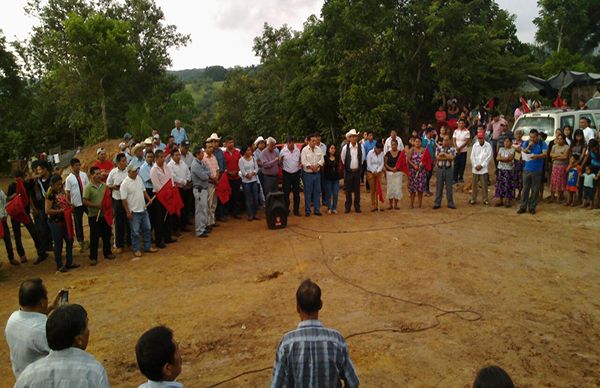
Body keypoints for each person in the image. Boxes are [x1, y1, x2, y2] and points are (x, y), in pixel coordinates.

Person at [270, 279, 359, 388]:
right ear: (320, 305)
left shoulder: (286, 343)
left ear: (297, 308)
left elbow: (276, 385)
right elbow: (353, 382)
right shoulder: (336, 340)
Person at [15, 304, 109, 388]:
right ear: (79, 340)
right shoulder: (94, 372)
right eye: (86, 326)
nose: (88, 331)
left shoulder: (28, 374)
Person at [5, 279, 64, 378]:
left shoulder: (13, 318)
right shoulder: (43, 329)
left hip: (22, 378)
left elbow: (32, 322)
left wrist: (50, 307)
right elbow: (66, 352)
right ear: (42, 302)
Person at [7, 171, 45, 263]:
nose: (17, 179)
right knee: (18, 235)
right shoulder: (12, 186)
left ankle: (40, 252)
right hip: (16, 214)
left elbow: (34, 179)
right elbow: (8, 198)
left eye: (19, 177)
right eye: (16, 178)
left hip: (25, 213)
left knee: (33, 232)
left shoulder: (26, 184)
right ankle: (22, 255)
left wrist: (30, 177)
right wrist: (16, 194)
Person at [121, 164, 158, 257]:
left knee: (147, 228)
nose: (136, 172)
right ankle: (136, 249)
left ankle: (147, 246)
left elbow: (143, 190)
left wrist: (149, 199)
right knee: (135, 232)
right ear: (129, 172)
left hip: (143, 208)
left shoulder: (139, 178)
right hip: (133, 211)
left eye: (136, 171)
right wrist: (127, 212)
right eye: (134, 171)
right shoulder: (124, 184)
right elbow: (124, 200)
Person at [46, 175, 79, 273]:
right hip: (55, 222)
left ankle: (69, 262)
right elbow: (47, 210)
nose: (59, 186)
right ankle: (59, 265)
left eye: (60, 184)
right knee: (58, 243)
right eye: (57, 185)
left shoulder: (60, 190)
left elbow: (65, 200)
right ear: (52, 185)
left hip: (64, 219)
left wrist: (69, 205)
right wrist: (61, 211)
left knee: (69, 240)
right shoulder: (50, 194)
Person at [83, 167, 115, 265]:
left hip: (104, 214)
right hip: (94, 215)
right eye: (96, 174)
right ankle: (93, 257)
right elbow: (85, 201)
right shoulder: (88, 187)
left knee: (107, 234)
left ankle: (107, 252)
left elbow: (108, 199)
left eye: (99, 173)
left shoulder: (104, 186)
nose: (99, 176)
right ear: (91, 175)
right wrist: (96, 205)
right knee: (94, 236)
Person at [517, 128, 548, 215]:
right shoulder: (527, 142)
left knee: (535, 190)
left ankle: (532, 207)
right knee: (525, 189)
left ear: (537, 136)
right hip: (527, 169)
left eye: (534, 137)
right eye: (531, 137)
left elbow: (545, 154)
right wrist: (529, 146)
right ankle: (523, 207)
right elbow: (523, 151)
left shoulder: (542, 143)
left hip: (537, 170)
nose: (532, 139)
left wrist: (536, 156)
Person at [151, 150, 177, 247]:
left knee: (168, 217)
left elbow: (171, 178)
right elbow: (157, 186)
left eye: (163, 157)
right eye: (161, 157)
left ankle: (168, 237)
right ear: (156, 158)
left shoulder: (166, 166)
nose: (163, 159)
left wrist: (172, 189)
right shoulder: (153, 170)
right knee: (159, 219)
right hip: (160, 197)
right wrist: (166, 192)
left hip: (169, 195)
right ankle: (159, 240)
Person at [107, 153, 130, 254]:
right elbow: (108, 184)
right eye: (123, 161)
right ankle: (119, 244)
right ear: (118, 162)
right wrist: (114, 187)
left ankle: (129, 243)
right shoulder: (113, 172)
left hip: (128, 199)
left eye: (126, 160)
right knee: (119, 222)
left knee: (129, 222)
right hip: (117, 199)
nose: (125, 163)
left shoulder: (129, 171)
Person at [65, 158, 89, 252]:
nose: (78, 167)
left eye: (79, 165)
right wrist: (69, 204)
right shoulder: (69, 179)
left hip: (86, 202)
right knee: (78, 223)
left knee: (92, 217)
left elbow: (87, 187)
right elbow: (68, 192)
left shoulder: (83, 175)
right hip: (76, 204)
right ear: (72, 166)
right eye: (76, 165)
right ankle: (81, 241)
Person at [31, 161, 53, 260]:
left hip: (52, 209)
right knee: (41, 230)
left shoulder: (53, 179)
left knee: (52, 229)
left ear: (45, 169)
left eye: (40, 169)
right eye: (37, 169)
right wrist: (33, 208)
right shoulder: (36, 181)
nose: (38, 171)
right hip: (40, 209)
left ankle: (50, 246)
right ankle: (41, 253)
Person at [168, 149, 193, 233]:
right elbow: (174, 177)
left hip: (186, 188)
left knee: (186, 207)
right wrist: (184, 182)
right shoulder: (169, 165)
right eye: (176, 155)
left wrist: (188, 180)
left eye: (179, 155)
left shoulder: (183, 163)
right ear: (172, 156)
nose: (178, 156)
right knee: (178, 208)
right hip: (177, 190)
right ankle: (176, 228)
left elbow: (188, 173)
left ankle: (184, 225)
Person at [341, 129, 365, 213]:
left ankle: (357, 207)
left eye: (355, 136)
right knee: (348, 191)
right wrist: (348, 168)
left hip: (357, 172)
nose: (354, 138)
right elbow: (343, 159)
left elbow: (362, 159)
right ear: (349, 138)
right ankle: (347, 207)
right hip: (349, 172)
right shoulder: (345, 147)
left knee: (357, 191)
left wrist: (357, 167)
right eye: (352, 137)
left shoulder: (360, 147)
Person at [301, 133, 325, 216]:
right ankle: (308, 211)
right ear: (308, 141)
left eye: (315, 141)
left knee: (317, 192)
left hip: (317, 174)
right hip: (308, 174)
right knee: (308, 192)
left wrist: (317, 166)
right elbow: (303, 161)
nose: (314, 142)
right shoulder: (304, 150)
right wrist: (311, 167)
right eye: (312, 141)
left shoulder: (319, 149)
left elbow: (322, 159)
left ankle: (317, 210)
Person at [191, 146, 212, 236]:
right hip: (199, 190)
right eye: (201, 152)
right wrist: (206, 173)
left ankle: (202, 227)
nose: (203, 154)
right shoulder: (195, 164)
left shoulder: (201, 163)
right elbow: (204, 176)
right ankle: (199, 230)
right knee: (200, 210)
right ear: (197, 154)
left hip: (203, 189)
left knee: (204, 209)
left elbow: (209, 171)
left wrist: (206, 173)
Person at [470, 129, 493, 206]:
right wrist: (475, 165)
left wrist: (482, 165)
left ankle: (485, 199)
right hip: (475, 168)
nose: (480, 139)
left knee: (484, 185)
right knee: (474, 185)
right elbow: (472, 157)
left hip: (483, 169)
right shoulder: (475, 145)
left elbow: (488, 157)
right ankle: (473, 199)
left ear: (484, 138)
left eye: (481, 138)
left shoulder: (488, 146)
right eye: (479, 138)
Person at [280, 136, 302, 216]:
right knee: (286, 193)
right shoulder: (283, 151)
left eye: (292, 142)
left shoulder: (298, 150)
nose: (291, 144)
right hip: (286, 174)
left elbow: (300, 160)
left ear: (294, 142)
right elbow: (280, 162)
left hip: (296, 174)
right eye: (289, 142)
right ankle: (286, 210)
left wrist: (299, 167)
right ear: (287, 143)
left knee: (296, 193)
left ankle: (296, 210)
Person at [433, 135, 456, 209]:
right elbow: (437, 157)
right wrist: (447, 157)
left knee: (449, 187)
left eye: (447, 140)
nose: (445, 142)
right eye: (444, 140)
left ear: (449, 141)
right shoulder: (438, 148)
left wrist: (444, 155)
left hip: (448, 169)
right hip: (440, 169)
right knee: (439, 186)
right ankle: (437, 203)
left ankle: (450, 203)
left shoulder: (452, 149)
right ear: (442, 141)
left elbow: (452, 158)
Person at [238, 144, 260, 221]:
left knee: (255, 198)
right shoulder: (241, 160)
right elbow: (242, 170)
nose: (249, 151)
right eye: (247, 150)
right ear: (244, 152)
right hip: (246, 182)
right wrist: (247, 175)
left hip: (254, 180)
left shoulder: (253, 159)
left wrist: (253, 173)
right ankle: (250, 214)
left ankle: (255, 213)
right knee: (248, 198)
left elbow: (256, 168)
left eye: (250, 150)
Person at [223, 136, 242, 219]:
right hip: (227, 178)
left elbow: (241, 163)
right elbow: (223, 166)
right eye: (229, 142)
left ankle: (236, 212)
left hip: (237, 177)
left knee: (236, 195)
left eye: (232, 142)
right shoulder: (224, 154)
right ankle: (228, 212)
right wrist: (228, 172)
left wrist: (237, 171)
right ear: (226, 144)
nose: (231, 144)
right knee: (228, 195)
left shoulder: (238, 152)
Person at [494, 137, 516, 207]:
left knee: (508, 185)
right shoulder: (501, 149)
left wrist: (502, 158)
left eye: (507, 141)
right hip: (501, 169)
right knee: (500, 185)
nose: (506, 143)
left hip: (508, 170)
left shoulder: (512, 149)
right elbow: (497, 158)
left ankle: (507, 201)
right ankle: (500, 200)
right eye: (505, 141)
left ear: (511, 143)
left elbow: (510, 159)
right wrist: (505, 159)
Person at [203, 142, 220, 228]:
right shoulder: (203, 158)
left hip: (215, 183)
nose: (211, 149)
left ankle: (212, 221)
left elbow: (217, 169)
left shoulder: (214, 157)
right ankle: (208, 222)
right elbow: (204, 173)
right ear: (205, 149)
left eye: (211, 147)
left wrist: (216, 178)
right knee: (208, 203)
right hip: (209, 183)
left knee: (214, 203)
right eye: (209, 147)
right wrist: (213, 179)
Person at [549, 133, 570, 202]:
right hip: (555, 166)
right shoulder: (554, 146)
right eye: (558, 139)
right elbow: (551, 154)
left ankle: (559, 197)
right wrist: (559, 155)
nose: (559, 140)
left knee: (561, 182)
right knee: (553, 181)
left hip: (562, 166)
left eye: (561, 139)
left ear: (564, 140)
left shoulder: (567, 147)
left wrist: (555, 156)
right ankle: (552, 197)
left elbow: (565, 157)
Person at [0, 188, 19, 265]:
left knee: (7, 239)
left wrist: (13, 196)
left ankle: (11, 258)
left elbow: (5, 200)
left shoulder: (0, 191)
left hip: (3, 220)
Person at [407, 137, 427, 208]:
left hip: (421, 172)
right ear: (414, 142)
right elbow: (408, 159)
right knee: (412, 189)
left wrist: (422, 165)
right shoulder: (411, 150)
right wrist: (414, 165)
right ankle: (411, 204)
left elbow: (427, 159)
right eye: (416, 141)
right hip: (413, 171)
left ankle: (420, 204)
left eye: (419, 141)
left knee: (420, 189)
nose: (417, 143)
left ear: (421, 143)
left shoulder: (424, 150)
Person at [366, 141, 385, 211]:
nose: (380, 151)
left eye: (381, 150)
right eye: (379, 150)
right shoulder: (370, 153)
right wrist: (374, 172)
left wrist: (378, 171)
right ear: (375, 148)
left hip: (378, 173)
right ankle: (373, 204)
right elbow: (368, 164)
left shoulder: (381, 153)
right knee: (372, 189)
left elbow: (382, 163)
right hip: (371, 173)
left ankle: (378, 204)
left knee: (378, 189)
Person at [384, 139, 402, 209]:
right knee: (390, 188)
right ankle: (390, 204)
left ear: (397, 145)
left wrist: (396, 168)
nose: (393, 146)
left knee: (397, 188)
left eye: (395, 144)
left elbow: (402, 163)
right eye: (392, 145)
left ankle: (396, 204)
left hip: (398, 173)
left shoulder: (400, 153)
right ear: (391, 145)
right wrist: (391, 169)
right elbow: (385, 163)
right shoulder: (387, 154)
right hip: (389, 173)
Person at [323, 144, 340, 214]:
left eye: (334, 148)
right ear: (328, 149)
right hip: (328, 179)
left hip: (335, 179)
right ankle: (329, 208)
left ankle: (334, 208)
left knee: (335, 193)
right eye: (331, 148)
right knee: (328, 194)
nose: (333, 150)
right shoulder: (325, 157)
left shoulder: (337, 157)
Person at [452, 119, 471, 183]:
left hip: (463, 150)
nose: (461, 124)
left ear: (464, 124)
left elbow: (467, 141)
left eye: (463, 123)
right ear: (458, 124)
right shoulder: (455, 131)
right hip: (456, 150)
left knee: (462, 164)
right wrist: (456, 147)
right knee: (456, 164)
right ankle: (455, 178)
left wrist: (460, 147)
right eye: (460, 123)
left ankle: (460, 177)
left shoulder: (467, 131)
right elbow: (454, 140)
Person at [421, 128, 437, 196]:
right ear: (428, 133)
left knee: (429, 175)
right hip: (424, 161)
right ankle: (424, 190)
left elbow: (434, 150)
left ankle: (426, 189)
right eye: (432, 132)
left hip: (431, 161)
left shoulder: (433, 140)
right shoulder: (422, 140)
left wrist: (434, 160)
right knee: (424, 175)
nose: (433, 134)